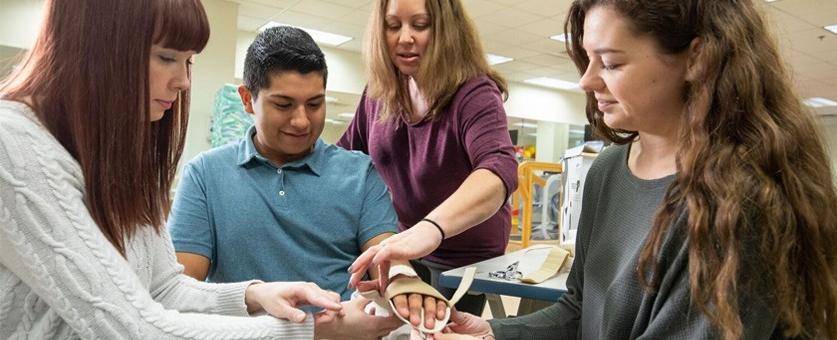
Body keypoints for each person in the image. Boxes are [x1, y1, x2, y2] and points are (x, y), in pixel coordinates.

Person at [428, 0, 837, 339]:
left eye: (610, 62)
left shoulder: (742, 199)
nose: (586, 81)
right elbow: (577, 310)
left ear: (696, 59)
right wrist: (492, 333)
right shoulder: (607, 171)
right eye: (587, 60)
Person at [0, 1, 389, 339]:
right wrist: (311, 330)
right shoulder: (13, 146)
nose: (184, 81)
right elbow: (134, 328)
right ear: (98, 48)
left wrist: (253, 295)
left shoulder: (116, 155)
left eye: (188, 61)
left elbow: (166, 287)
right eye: (167, 58)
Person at [167, 25, 403, 338]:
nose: (302, 120)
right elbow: (184, 295)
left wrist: (406, 289)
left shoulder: (359, 174)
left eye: (315, 104)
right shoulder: (205, 175)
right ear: (248, 99)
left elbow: (391, 266)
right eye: (283, 105)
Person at [341, 0, 519, 320]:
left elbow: (498, 168)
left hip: (463, 254)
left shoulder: (474, 92)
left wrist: (431, 229)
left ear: (445, 31)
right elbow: (344, 159)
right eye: (393, 26)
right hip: (405, 243)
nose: (404, 37)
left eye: (420, 26)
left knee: (438, 328)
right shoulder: (379, 94)